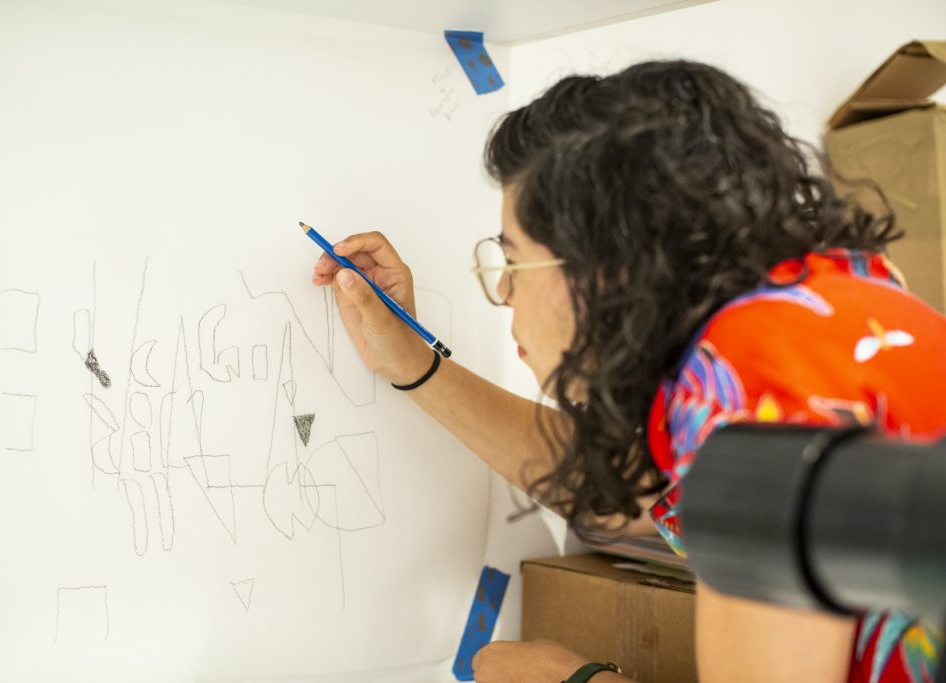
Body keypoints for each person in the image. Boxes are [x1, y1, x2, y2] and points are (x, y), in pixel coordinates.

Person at [311, 61, 945, 682]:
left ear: (607, 270)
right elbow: (625, 492)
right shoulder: (839, 293)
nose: (504, 296)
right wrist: (417, 365)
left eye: (513, 263)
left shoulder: (750, 405)